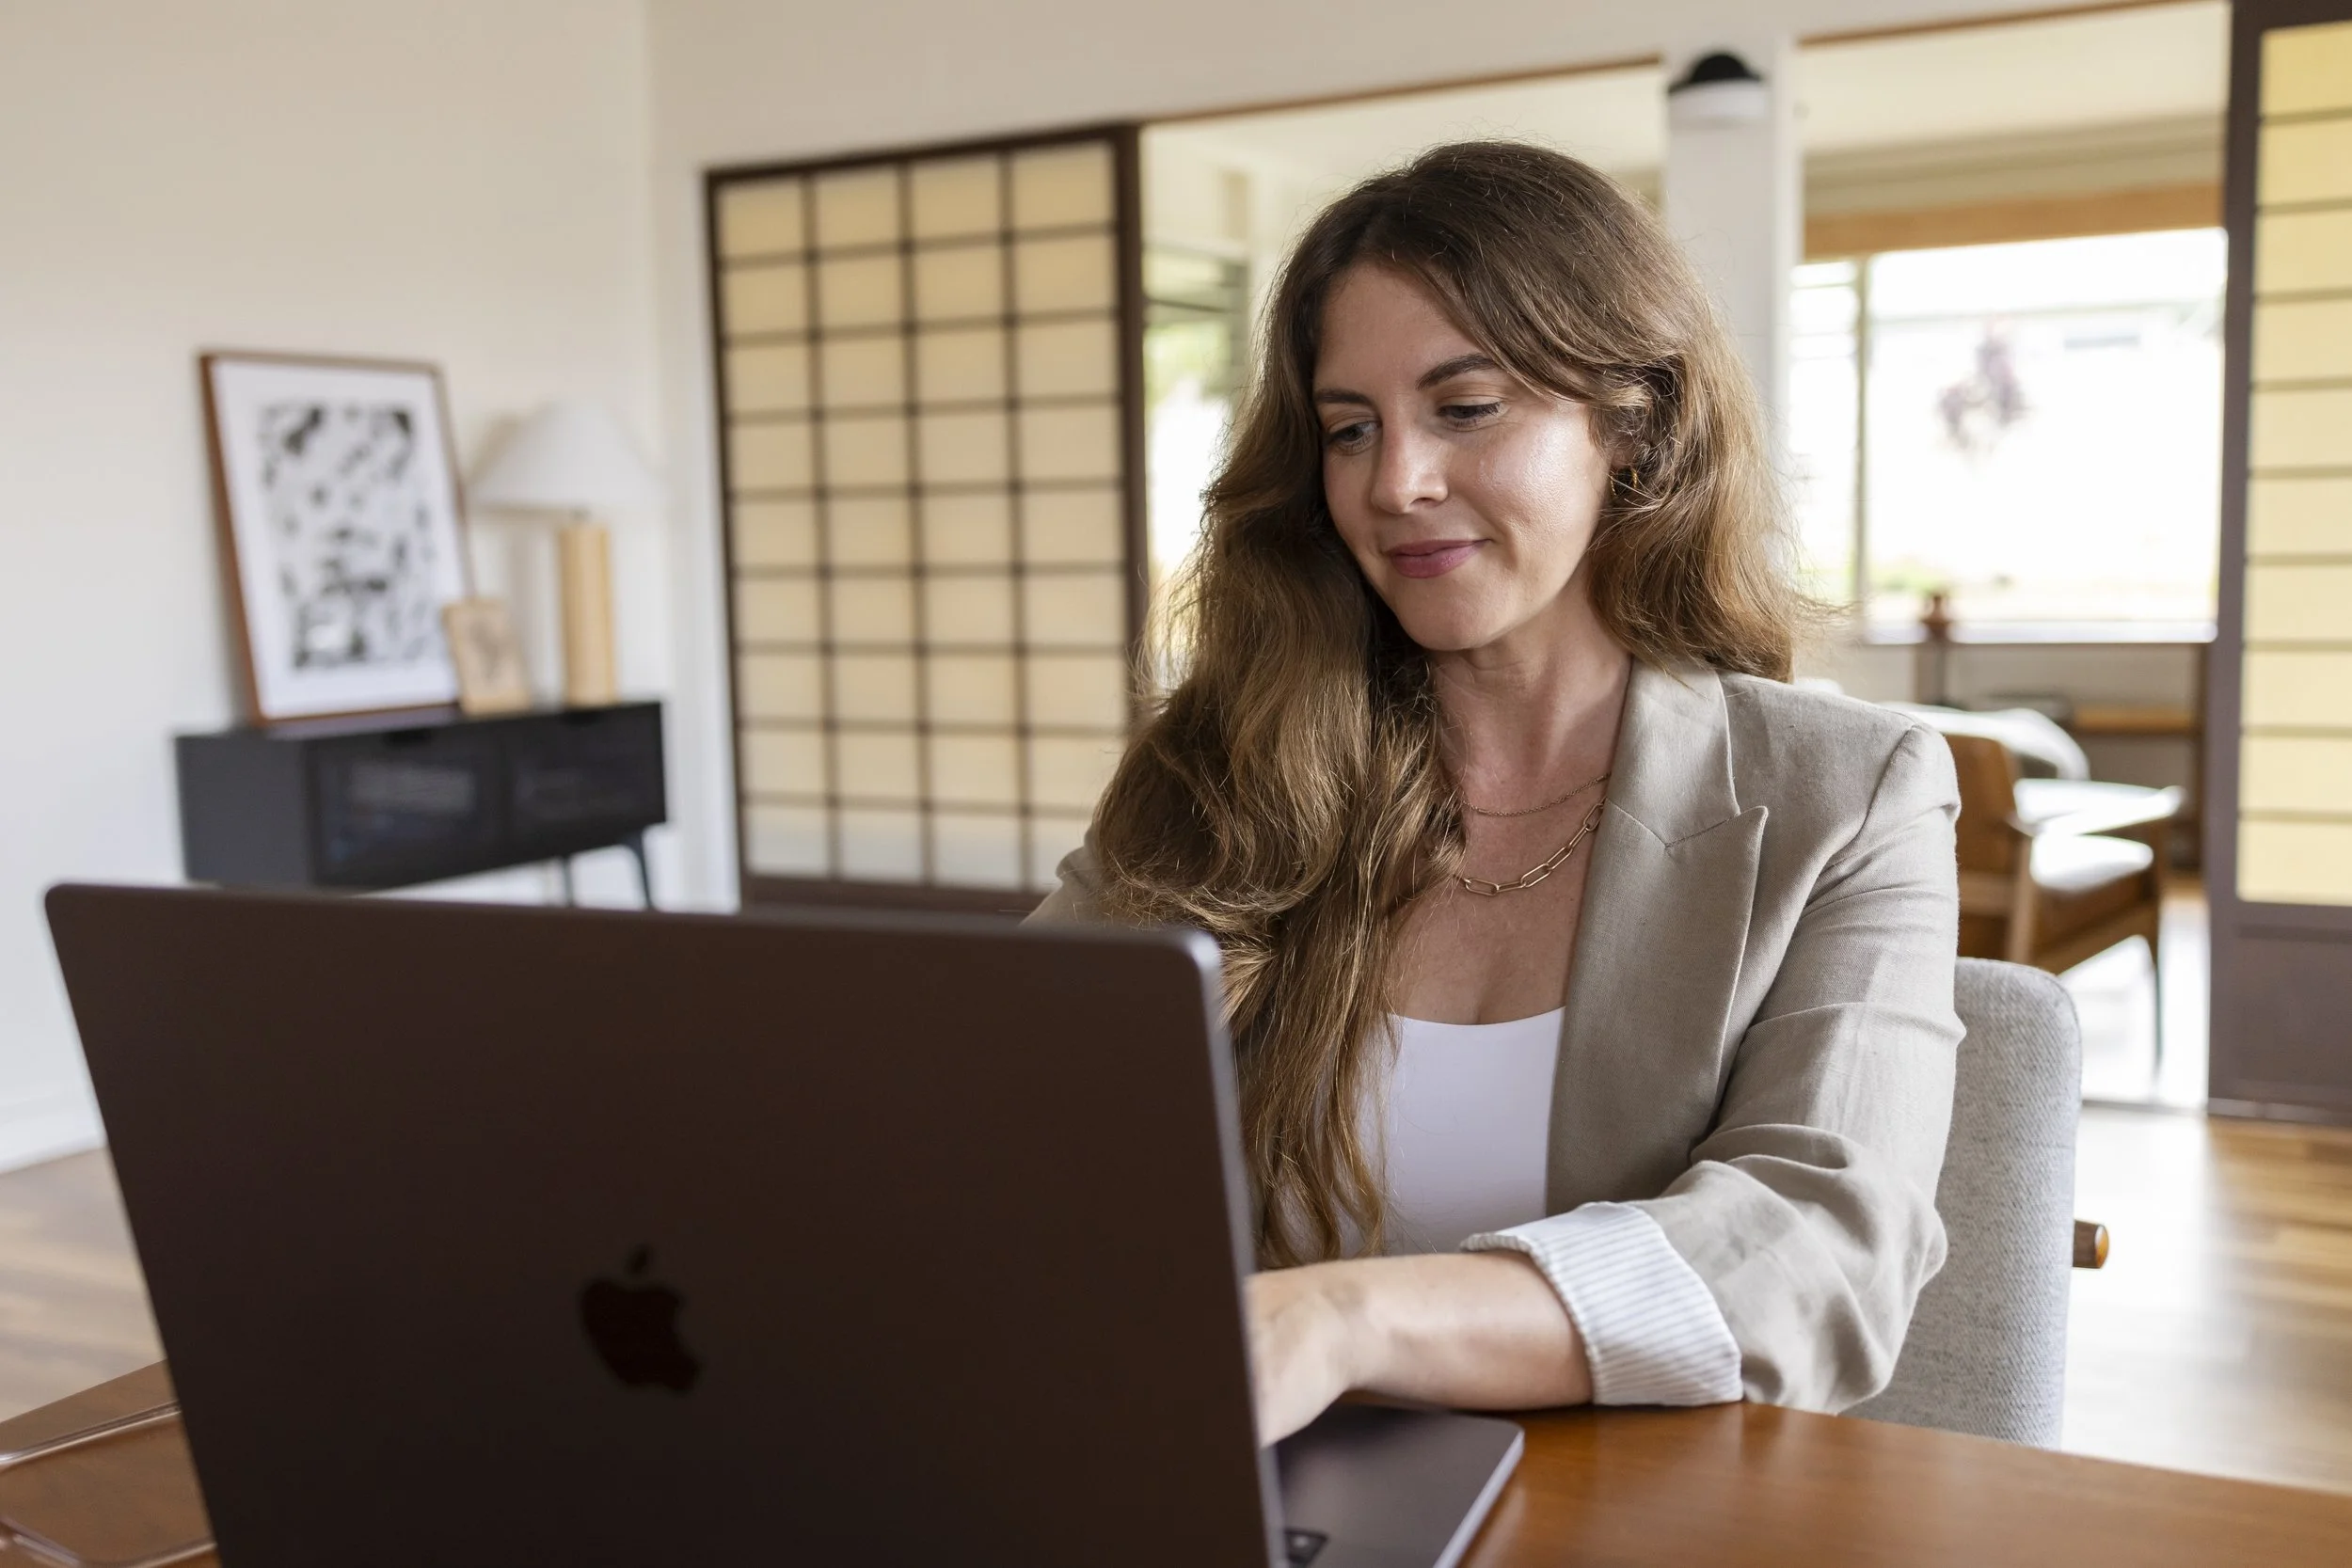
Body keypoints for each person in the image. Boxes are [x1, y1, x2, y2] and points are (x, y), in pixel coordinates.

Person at [1030, 141, 1961, 1445]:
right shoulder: (1221, 768)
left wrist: (1349, 1319)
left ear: (1629, 424)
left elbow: (1822, 1246)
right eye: (1350, 427)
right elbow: (1000, 1099)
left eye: (1466, 408)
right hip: (1256, 1494)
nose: (1393, 481)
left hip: (1632, 1515)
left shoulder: (1847, 798)